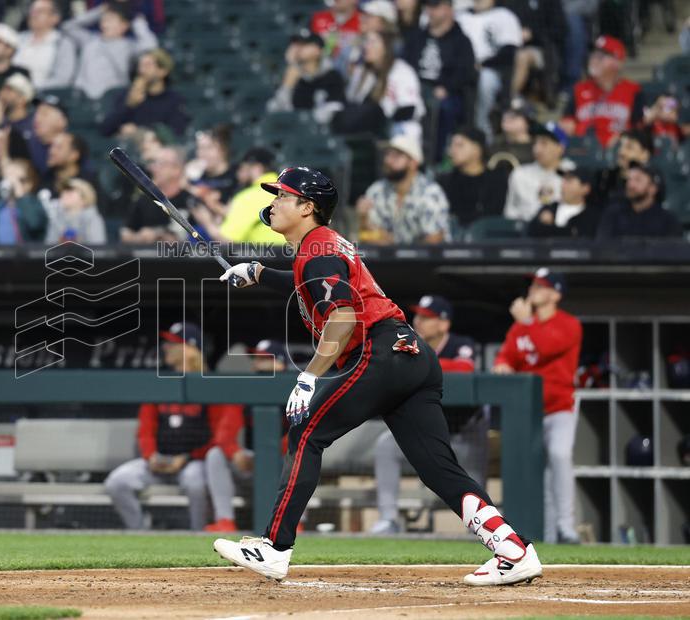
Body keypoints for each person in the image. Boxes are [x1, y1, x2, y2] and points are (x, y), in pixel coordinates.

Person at [215, 167, 542, 585]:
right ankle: (512, 549)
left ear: (307, 207)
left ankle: (274, 548)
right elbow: (309, 285)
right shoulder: (319, 248)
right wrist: (258, 272)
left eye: (283, 195)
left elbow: (344, 317)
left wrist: (309, 376)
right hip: (411, 354)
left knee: (307, 432)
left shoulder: (319, 249)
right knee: (438, 467)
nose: (274, 202)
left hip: (379, 351)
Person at [104, 322, 243, 531]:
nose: (166, 347)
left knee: (195, 484)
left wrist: (186, 457)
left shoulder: (213, 386)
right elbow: (145, 430)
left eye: (174, 343)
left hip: (195, 461)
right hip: (158, 461)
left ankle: (198, 535)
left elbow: (218, 439)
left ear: (191, 349)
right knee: (117, 482)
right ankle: (139, 534)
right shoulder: (161, 383)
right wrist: (151, 456)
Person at [370, 295, 488, 534]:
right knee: (385, 445)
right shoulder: (405, 341)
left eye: (428, 317)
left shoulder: (460, 344)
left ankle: (483, 526)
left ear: (444, 324)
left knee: (473, 479)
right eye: (419, 315)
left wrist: (419, 363)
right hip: (424, 431)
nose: (419, 321)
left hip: (464, 431)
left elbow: (464, 369)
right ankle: (388, 518)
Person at [494, 269, 581, 544]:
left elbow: (545, 347)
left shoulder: (568, 324)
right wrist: (503, 366)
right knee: (535, 471)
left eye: (542, 286)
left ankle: (566, 527)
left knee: (559, 456)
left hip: (560, 408)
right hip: (528, 413)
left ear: (556, 294)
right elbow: (504, 358)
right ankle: (546, 533)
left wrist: (527, 322)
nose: (533, 289)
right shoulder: (520, 327)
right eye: (533, 284)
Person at [205, 339, 291, 533]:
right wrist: (235, 453)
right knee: (215, 455)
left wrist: (267, 455)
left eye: (263, 359)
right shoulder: (247, 388)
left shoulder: (295, 391)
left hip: (279, 462)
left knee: (300, 456)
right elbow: (224, 434)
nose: (256, 364)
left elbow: (301, 434)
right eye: (256, 359)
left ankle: (295, 522)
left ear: (280, 363)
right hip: (249, 461)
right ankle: (224, 520)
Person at [401, 0, 476, 161]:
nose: (430, 11)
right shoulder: (417, 37)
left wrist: (447, 87)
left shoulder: (461, 41)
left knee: (444, 108)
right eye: (428, 7)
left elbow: (466, 72)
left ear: (448, 9)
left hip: (445, 91)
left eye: (435, 7)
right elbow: (403, 65)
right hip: (413, 87)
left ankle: (436, 158)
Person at [335, 28, 425, 143]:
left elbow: (409, 109)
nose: (366, 46)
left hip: (399, 129)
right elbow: (351, 104)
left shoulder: (401, 71)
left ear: (386, 47)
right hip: (364, 131)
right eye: (366, 42)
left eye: (372, 42)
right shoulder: (362, 71)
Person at [356, 135, 450, 244]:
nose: (387, 160)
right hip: (385, 260)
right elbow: (365, 237)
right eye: (387, 154)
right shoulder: (377, 190)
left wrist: (391, 242)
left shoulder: (431, 193)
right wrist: (364, 220)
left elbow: (434, 239)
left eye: (396, 156)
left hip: (429, 260)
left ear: (413, 162)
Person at [457, 0, 522, 140]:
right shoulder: (461, 16)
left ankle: (484, 132)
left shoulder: (504, 15)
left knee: (485, 80)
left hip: (491, 70)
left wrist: (484, 64)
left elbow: (509, 52)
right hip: (461, 69)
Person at [560, 36, 643, 148]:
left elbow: (639, 129)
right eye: (593, 55)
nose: (594, 59)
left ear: (617, 62)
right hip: (583, 152)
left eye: (601, 56)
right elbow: (566, 122)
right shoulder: (579, 89)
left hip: (619, 154)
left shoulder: (633, 90)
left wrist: (622, 138)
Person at [64, 2, 158, 100]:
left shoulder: (129, 46)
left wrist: (138, 21)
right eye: (103, 20)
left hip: (113, 99)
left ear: (124, 25)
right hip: (83, 98)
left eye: (111, 20)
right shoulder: (89, 40)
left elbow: (151, 45)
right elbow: (68, 27)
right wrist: (98, 12)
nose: (105, 24)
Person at [100, 48, 190, 138]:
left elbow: (177, 132)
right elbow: (105, 129)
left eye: (147, 65)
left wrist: (139, 132)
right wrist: (129, 105)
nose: (141, 70)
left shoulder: (174, 99)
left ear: (163, 71)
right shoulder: (127, 95)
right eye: (140, 66)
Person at [120, 146, 197, 243]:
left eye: (161, 164)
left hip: (182, 256)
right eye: (154, 163)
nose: (154, 168)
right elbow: (125, 234)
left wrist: (163, 236)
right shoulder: (144, 200)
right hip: (148, 256)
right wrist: (140, 238)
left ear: (177, 170)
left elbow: (204, 238)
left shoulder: (190, 200)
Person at [267, 32, 346, 125]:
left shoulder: (332, 76)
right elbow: (273, 110)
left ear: (318, 51)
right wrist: (287, 86)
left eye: (305, 44)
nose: (299, 48)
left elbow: (330, 114)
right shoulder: (292, 74)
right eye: (298, 45)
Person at [438, 127, 508, 228]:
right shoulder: (444, 181)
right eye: (451, 145)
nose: (451, 151)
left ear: (477, 149)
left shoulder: (497, 180)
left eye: (459, 145)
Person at [596, 163, 682, 240]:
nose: (630, 184)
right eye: (629, 179)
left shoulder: (668, 220)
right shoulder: (613, 214)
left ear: (653, 188)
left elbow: (672, 253)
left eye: (638, 180)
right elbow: (602, 248)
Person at [504, 122, 568, 222]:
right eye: (535, 143)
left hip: (562, 234)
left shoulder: (572, 174)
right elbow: (510, 212)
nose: (537, 149)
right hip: (525, 232)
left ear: (560, 148)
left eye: (544, 143)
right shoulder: (520, 174)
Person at [0, 158, 47, 244]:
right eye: (7, 178)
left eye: (19, 180)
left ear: (29, 184)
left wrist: (21, 195)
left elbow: (35, 223)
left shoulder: (34, 204)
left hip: (25, 255)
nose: (12, 182)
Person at [12, 0, 77, 91]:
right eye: (32, 11)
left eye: (40, 11)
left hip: (40, 95)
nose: (33, 14)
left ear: (55, 18)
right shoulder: (18, 39)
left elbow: (63, 79)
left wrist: (29, 88)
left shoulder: (62, 43)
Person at [528, 167, 600, 239]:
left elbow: (580, 237)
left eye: (569, 181)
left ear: (585, 188)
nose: (562, 186)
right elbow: (530, 232)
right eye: (563, 181)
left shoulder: (593, 216)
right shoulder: (549, 208)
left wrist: (547, 227)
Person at [590, 129, 652, 210]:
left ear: (645, 154)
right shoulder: (603, 178)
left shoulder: (651, 183)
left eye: (629, 147)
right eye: (619, 146)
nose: (621, 152)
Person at [44, 178, 107, 244]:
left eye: (70, 191)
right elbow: (49, 246)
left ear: (84, 198)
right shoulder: (56, 217)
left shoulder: (92, 218)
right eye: (63, 191)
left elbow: (98, 249)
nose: (64, 193)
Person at [42, 132, 96, 197]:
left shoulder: (89, 182)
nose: (51, 151)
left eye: (59, 147)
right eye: (51, 146)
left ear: (74, 155)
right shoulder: (44, 178)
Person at [489, 103, 535, 170]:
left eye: (514, 116)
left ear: (527, 122)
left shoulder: (537, 147)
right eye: (505, 115)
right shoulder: (495, 145)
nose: (507, 118)